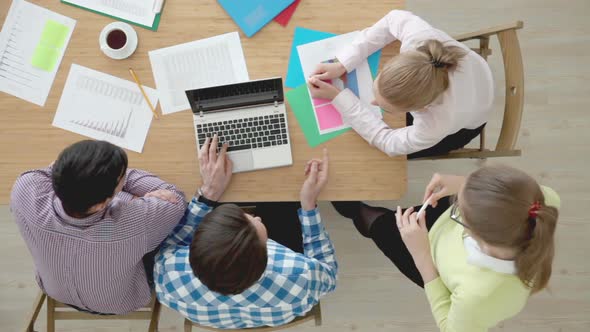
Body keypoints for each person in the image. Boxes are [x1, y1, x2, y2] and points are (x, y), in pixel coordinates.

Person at [336, 164, 559, 331]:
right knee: (391, 221)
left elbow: (448, 327)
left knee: (380, 226)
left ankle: (355, 211)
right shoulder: (539, 202)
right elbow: (524, 194)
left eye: (460, 211)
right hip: (437, 234)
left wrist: (420, 253)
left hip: (430, 265)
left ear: (474, 233)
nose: (457, 204)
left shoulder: (478, 296)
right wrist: (464, 185)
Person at [154, 135, 337, 329]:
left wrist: (208, 195)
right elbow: (329, 274)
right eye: (264, 237)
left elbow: (171, 243)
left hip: (213, 314)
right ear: (267, 258)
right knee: (281, 204)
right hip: (278, 306)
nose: (256, 217)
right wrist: (308, 206)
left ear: (196, 248)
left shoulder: (168, 277)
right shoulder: (300, 276)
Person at [10, 140, 187, 314]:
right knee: (172, 234)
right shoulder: (132, 222)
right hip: (120, 302)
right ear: (101, 204)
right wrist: (129, 198)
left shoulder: (25, 189)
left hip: (55, 290)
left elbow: (53, 167)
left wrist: (115, 191)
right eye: (120, 178)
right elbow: (176, 198)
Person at [308, 10, 493, 159]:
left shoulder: (435, 125)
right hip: (479, 74)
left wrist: (339, 98)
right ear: (399, 60)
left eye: (385, 108)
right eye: (377, 84)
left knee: (401, 158)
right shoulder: (420, 40)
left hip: (473, 119)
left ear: (422, 108)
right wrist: (343, 63)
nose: (372, 101)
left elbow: (389, 144)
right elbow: (393, 18)